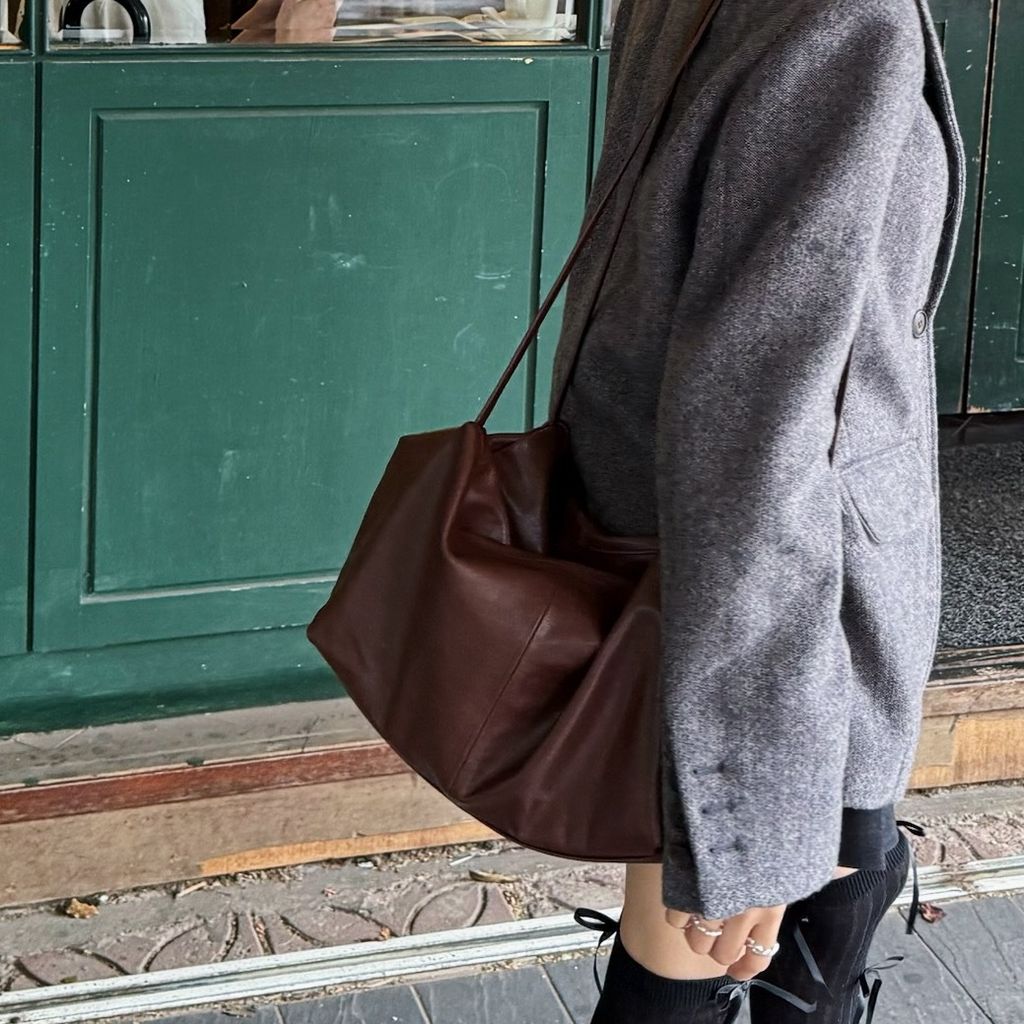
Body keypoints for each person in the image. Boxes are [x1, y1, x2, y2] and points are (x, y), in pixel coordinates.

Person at [552, 0, 967, 1020]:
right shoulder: (842, 21)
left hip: (695, 574)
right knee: (688, 973)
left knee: (756, 934)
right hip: (787, 617)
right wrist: (757, 808)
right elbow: (752, 421)